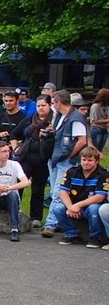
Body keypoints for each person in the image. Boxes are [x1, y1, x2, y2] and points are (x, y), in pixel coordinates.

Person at [42, 90, 90, 236]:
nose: (52, 106)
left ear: (58, 103)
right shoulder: (60, 116)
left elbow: (82, 141)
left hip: (66, 161)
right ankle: (57, 221)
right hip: (56, 158)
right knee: (53, 191)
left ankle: (50, 224)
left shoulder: (76, 118)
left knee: (58, 192)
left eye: (53, 103)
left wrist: (69, 156)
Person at [10, 95, 55, 227]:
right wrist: (15, 149)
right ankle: (15, 211)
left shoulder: (54, 120)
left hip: (43, 159)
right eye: (38, 105)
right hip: (26, 157)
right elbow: (14, 134)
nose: (40, 108)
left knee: (38, 189)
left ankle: (36, 217)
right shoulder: (30, 118)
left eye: (43, 105)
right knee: (19, 184)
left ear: (49, 106)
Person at [49, 146, 107, 248]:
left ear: (96, 161)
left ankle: (95, 238)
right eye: (84, 160)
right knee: (58, 208)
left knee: (94, 209)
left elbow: (100, 197)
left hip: (91, 205)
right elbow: (63, 192)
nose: (86, 163)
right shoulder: (72, 171)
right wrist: (70, 206)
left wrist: (79, 205)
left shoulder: (103, 174)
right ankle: (71, 234)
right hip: (73, 205)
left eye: (90, 160)